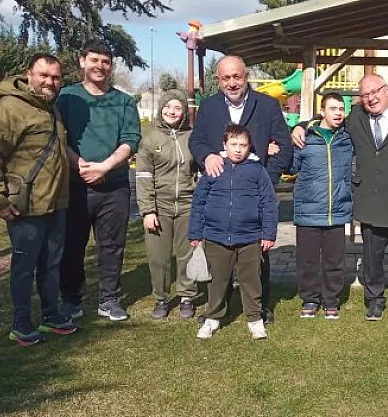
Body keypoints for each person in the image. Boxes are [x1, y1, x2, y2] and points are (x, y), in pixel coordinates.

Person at [292, 74, 388, 323]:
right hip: (370, 199)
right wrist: (302, 125)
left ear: (386, 90)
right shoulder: (356, 117)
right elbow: (328, 118)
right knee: (371, 257)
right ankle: (375, 300)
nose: (370, 98)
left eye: (374, 92)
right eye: (365, 95)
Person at [189, 55, 291, 324]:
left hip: (254, 194)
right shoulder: (209, 107)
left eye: (237, 77)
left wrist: (264, 179)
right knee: (218, 254)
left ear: (246, 77)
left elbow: (284, 147)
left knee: (257, 255)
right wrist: (207, 156)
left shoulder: (267, 105)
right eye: (226, 78)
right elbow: (197, 140)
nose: (232, 83)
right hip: (219, 193)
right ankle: (216, 307)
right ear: (218, 80)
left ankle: (260, 307)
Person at [57, 40, 141, 321]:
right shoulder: (66, 97)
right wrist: (81, 166)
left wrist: (104, 167)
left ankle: (109, 300)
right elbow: (58, 136)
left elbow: (131, 140)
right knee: (72, 246)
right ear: (82, 61)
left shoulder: (124, 102)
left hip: (114, 186)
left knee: (112, 246)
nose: (100, 66)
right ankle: (71, 299)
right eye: (94, 60)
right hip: (74, 186)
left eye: (106, 61)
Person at [0, 53, 79, 346]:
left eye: (56, 77)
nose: (50, 82)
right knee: (24, 268)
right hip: (24, 206)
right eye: (44, 75)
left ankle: (50, 315)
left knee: (51, 263)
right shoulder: (10, 107)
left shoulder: (50, 107)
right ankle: (21, 323)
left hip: (55, 202)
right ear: (28, 73)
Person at [189, 125, 277, 340]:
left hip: (250, 238)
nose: (238, 149)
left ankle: (255, 319)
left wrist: (268, 234)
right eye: (233, 144)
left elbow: (268, 203)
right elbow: (199, 202)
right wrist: (195, 233)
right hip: (216, 237)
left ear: (249, 146)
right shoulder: (214, 168)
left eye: (243, 145)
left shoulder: (257, 170)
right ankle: (213, 317)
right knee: (217, 281)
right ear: (224, 145)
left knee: (251, 280)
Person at [136, 90, 199, 320]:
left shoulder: (193, 137)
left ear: (184, 112)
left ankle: (187, 296)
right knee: (158, 257)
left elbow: (201, 169)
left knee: (187, 254)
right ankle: (161, 298)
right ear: (161, 109)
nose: (172, 112)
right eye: (168, 107)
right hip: (159, 206)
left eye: (177, 108)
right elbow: (143, 177)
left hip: (187, 205)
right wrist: (147, 210)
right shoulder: (150, 139)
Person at [292, 92, 352, 319]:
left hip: (336, 210)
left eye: (341, 109)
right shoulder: (306, 138)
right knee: (307, 260)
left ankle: (330, 300)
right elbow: (291, 166)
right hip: (308, 210)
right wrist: (293, 132)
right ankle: (309, 299)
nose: (338, 113)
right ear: (322, 112)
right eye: (333, 109)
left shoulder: (348, 138)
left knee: (334, 260)